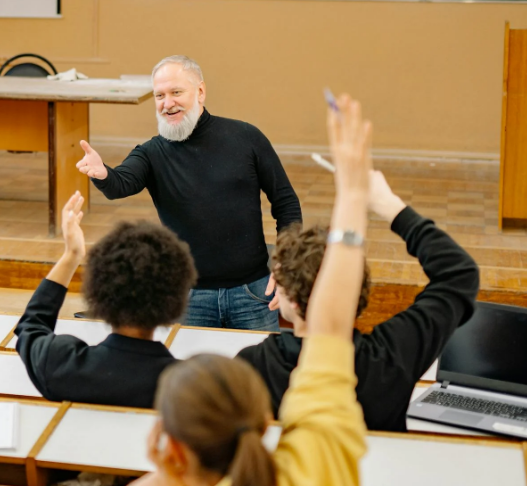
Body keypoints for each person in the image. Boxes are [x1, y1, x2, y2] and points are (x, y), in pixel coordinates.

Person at [132, 93, 371, 486]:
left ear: (169, 450)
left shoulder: (243, 138)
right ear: (265, 422)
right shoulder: (317, 463)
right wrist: (354, 193)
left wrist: (164, 470)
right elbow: (329, 329)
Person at [236, 169, 480, 431]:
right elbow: (459, 274)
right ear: (356, 289)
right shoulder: (390, 358)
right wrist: (389, 205)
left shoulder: (252, 366)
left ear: (294, 301)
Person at [77, 55, 301, 330]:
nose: (167, 103)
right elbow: (120, 183)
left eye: (176, 92)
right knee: (187, 373)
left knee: (256, 372)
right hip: (188, 298)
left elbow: (286, 203)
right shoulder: (151, 153)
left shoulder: (246, 138)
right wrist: (103, 173)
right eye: (159, 95)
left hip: (253, 292)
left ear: (201, 92)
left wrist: (287, 264)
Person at [14, 192, 196, 408]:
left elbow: (31, 326)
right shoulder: (192, 389)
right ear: (175, 299)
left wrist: (72, 255)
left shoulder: (61, 365)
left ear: (99, 293)